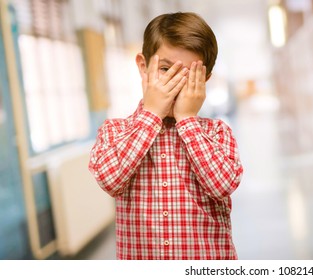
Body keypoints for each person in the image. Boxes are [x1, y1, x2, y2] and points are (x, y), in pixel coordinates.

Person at [88, 12, 243, 260]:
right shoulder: (115, 131)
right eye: (165, 69)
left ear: (205, 80)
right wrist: (151, 114)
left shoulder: (217, 133)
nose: (175, 86)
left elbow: (223, 185)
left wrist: (187, 120)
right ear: (143, 67)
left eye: (189, 76)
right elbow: (110, 180)